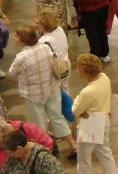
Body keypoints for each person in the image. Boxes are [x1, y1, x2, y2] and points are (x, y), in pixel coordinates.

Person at [8, 24, 76, 159]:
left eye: (16, 36)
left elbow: (11, 73)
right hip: (52, 89)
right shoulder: (45, 48)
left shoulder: (21, 57)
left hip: (33, 95)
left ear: (22, 40)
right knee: (57, 117)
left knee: (39, 124)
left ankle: (47, 152)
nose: (14, 38)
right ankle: (73, 145)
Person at [70, 54, 118, 174]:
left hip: (90, 125)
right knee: (105, 152)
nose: (77, 70)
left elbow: (75, 110)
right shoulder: (104, 78)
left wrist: (80, 110)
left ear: (86, 71)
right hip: (104, 120)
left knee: (84, 158)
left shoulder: (87, 91)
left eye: (79, 68)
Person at [36, 9, 71, 91]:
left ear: (45, 25)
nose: (35, 25)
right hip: (66, 64)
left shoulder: (44, 41)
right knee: (65, 90)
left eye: (37, 23)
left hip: (56, 70)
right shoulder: (59, 29)